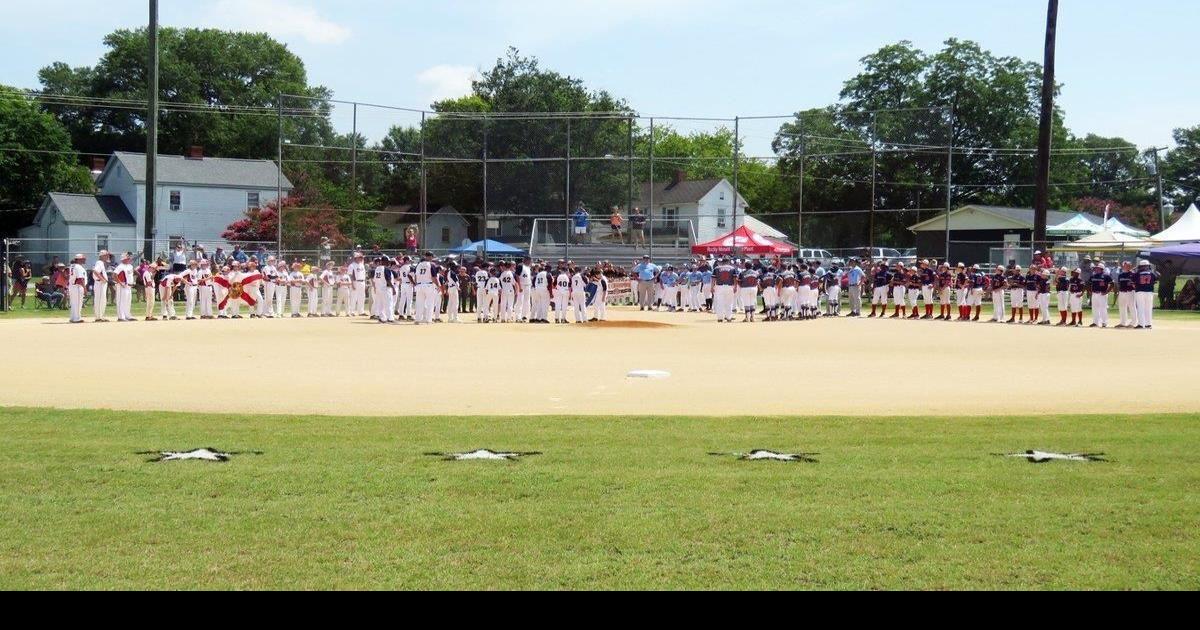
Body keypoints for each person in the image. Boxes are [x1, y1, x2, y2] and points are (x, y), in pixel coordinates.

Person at [1134, 259, 1160, 330]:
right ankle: (1148, 324)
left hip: (1140, 292)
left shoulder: (1137, 273)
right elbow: (1157, 278)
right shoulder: (1151, 273)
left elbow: (1133, 281)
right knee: (1148, 308)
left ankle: (1141, 324)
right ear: (1147, 266)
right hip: (1149, 292)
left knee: (1140, 308)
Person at [712, 256, 738, 323]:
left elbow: (713, 279)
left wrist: (712, 287)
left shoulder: (716, 268)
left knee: (720, 302)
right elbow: (735, 278)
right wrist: (735, 287)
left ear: (722, 261)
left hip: (719, 286)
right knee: (729, 303)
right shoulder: (732, 268)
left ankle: (720, 318)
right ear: (728, 261)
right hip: (729, 286)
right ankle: (728, 317)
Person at [113, 253, 135, 322]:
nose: (129, 259)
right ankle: (121, 317)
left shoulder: (130, 266)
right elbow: (114, 275)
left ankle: (127, 315)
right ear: (123, 259)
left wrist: (132, 282)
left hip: (129, 286)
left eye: (129, 258)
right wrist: (119, 283)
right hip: (122, 285)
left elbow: (130, 275)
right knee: (121, 301)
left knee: (128, 301)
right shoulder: (120, 266)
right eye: (128, 258)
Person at [1089, 262, 1113, 328]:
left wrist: (1107, 291)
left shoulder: (1106, 276)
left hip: (1102, 294)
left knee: (1103, 308)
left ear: (1102, 268)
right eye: (1096, 268)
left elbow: (1112, 284)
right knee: (1094, 308)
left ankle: (1104, 322)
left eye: (1098, 268)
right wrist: (1090, 291)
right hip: (1094, 293)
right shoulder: (1093, 276)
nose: (1096, 269)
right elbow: (1088, 284)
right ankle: (1095, 322)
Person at [372, 256, 395, 324]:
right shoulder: (386, 269)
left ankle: (382, 318)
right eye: (387, 261)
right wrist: (393, 288)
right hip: (385, 288)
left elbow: (375, 280)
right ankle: (390, 319)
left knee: (380, 304)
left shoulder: (377, 269)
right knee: (388, 304)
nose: (388, 263)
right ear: (384, 261)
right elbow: (388, 280)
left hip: (379, 288)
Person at [1115, 261, 1137, 329]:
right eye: (1125, 265)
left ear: (1130, 266)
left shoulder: (1133, 274)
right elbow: (1119, 284)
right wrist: (1118, 292)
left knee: (1132, 306)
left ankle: (1133, 322)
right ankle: (1123, 322)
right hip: (1122, 292)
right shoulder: (1121, 275)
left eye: (1128, 265)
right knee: (1122, 307)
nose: (1126, 267)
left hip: (1130, 292)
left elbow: (1135, 284)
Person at [91, 250, 111, 322]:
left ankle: (101, 316)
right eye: (106, 255)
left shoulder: (101, 263)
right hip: (100, 283)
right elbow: (95, 271)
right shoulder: (99, 262)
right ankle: (98, 317)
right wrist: (102, 279)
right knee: (99, 300)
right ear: (102, 256)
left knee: (102, 300)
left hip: (101, 284)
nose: (108, 256)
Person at [67, 254, 87, 323]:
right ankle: (77, 318)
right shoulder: (78, 267)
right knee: (78, 303)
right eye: (83, 258)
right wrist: (85, 288)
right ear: (78, 259)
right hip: (77, 286)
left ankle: (72, 318)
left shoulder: (72, 266)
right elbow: (80, 279)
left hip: (72, 286)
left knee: (73, 303)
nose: (84, 259)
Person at [349, 252, 368, 317]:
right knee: (354, 297)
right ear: (355, 258)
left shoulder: (362, 264)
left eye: (361, 257)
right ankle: (352, 311)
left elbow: (364, 275)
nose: (361, 258)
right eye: (359, 257)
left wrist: (365, 283)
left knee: (362, 297)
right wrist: (352, 284)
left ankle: (361, 311)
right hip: (355, 282)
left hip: (362, 281)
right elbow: (350, 275)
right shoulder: (352, 265)